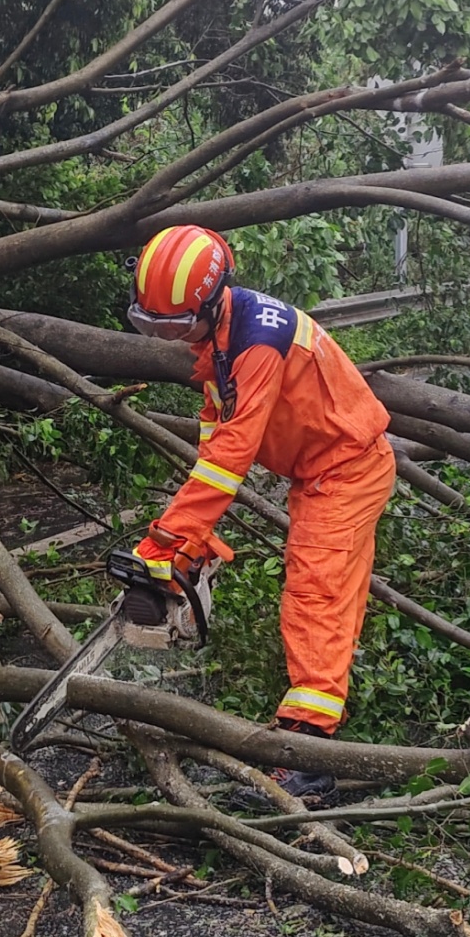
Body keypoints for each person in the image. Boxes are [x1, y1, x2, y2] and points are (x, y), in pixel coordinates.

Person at [120, 224, 395, 784]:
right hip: (317, 469)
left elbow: (233, 454)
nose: (170, 338)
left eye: (176, 326)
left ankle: (311, 755)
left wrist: (167, 540)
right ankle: (316, 709)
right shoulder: (220, 337)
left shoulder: (258, 344)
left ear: (212, 299)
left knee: (316, 591)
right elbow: (215, 432)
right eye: (154, 326)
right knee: (328, 594)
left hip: (346, 469)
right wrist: (194, 536)